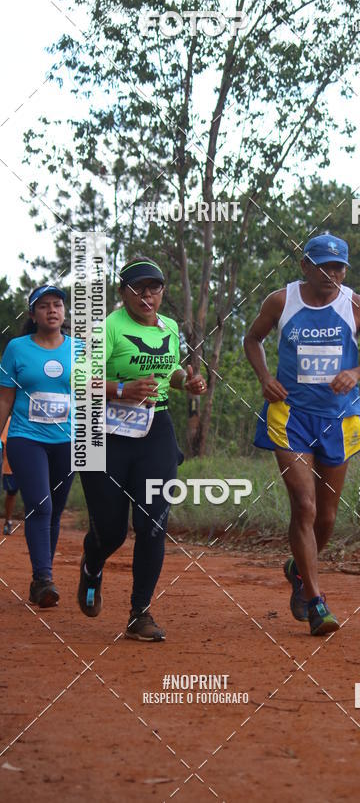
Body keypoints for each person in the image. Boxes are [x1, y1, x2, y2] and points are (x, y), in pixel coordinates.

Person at [244, 234, 360, 636]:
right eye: (323, 267)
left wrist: (356, 372)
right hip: (289, 416)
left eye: (339, 267)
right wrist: (265, 377)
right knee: (304, 506)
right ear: (305, 266)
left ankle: (297, 569)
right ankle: (316, 601)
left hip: (338, 419)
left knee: (326, 517)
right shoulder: (281, 301)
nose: (332, 275)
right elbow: (252, 338)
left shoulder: (356, 305)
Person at [77, 258, 207, 641]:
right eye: (137, 288)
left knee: (153, 524)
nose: (146, 295)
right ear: (123, 293)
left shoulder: (169, 328)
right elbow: (80, 379)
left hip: (155, 429)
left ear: (163, 292)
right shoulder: (107, 328)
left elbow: (171, 371)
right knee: (112, 531)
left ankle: (140, 613)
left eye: (154, 288)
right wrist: (120, 390)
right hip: (102, 432)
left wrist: (187, 382)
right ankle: (92, 566)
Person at [0, 285, 76, 606]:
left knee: (55, 511)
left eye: (57, 304)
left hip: (68, 442)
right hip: (25, 438)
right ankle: (44, 579)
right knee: (40, 506)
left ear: (65, 311)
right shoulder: (17, 349)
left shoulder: (80, 350)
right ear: (32, 315)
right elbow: (5, 398)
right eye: (43, 306)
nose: (52, 310)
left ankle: (41, 578)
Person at [1, 416, 19, 535]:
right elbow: (3, 443)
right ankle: (8, 521)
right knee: (11, 493)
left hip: (31, 466)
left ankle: (33, 521)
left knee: (32, 495)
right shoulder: (8, 421)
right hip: (10, 466)